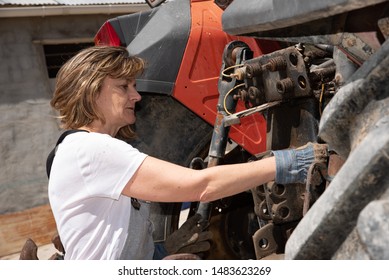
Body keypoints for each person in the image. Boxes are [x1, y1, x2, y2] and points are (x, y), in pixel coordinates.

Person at [47, 46, 328, 260]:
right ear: (90, 91)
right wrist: (287, 163)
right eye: (124, 87)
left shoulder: (79, 149)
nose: (137, 96)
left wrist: (162, 250)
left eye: (134, 86)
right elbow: (202, 186)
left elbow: (105, 238)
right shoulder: (91, 150)